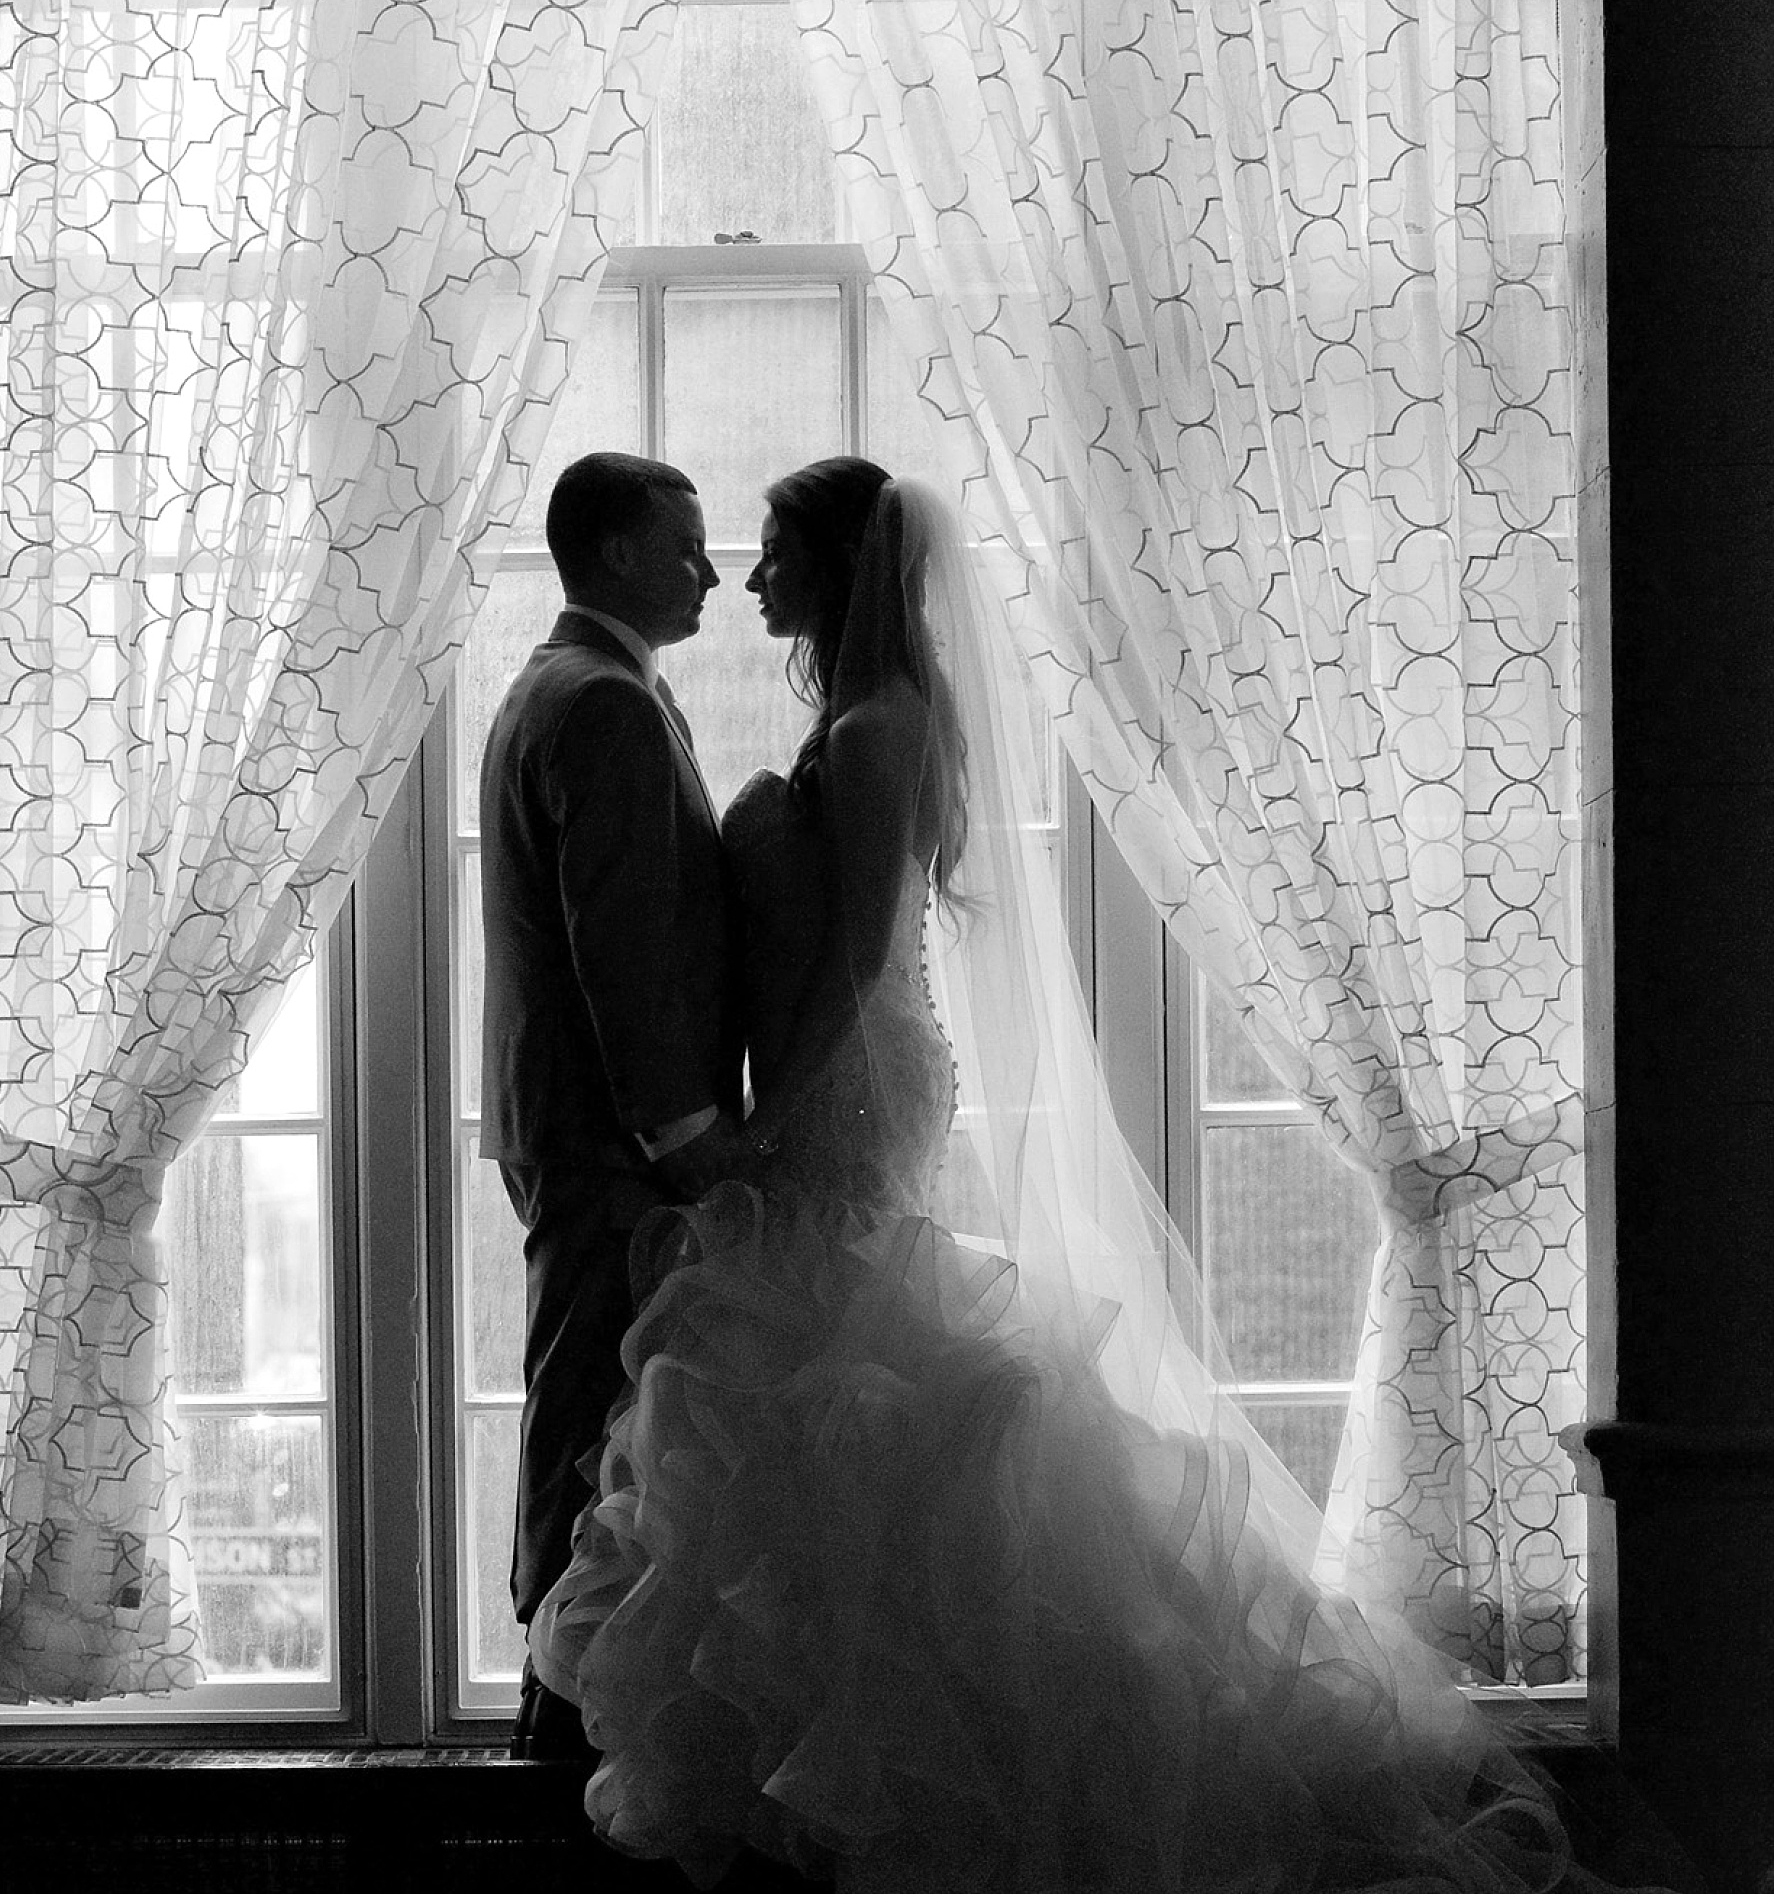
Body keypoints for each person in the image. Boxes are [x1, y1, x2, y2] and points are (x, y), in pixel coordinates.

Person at [529, 459, 1580, 1890]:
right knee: (834, 1394)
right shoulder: (831, 716)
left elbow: (848, 954)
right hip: (816, 1083)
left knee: (865, 1383)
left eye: (774, 552)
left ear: (838, 571)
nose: (745, 571)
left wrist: (774, 1121)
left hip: (849, 1084)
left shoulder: (884, 727)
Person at [477, 450, 745, 1763]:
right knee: (589, 1408)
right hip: (605, 1140)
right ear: (624, 551)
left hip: (574, 1127)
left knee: (596, 1401)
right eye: (689, 545)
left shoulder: (572, 686)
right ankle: (558, 1717)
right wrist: (688, 1136)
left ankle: (579, 1694)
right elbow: (621, 947)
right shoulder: (602, 706)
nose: (711, 569)